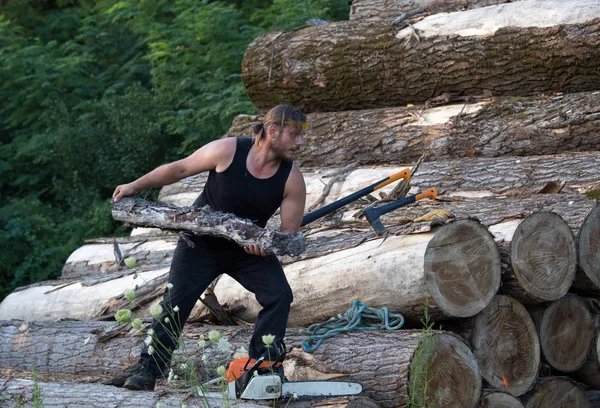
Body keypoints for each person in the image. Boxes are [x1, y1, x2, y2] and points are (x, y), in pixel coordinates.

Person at [111, 104, 307, 391]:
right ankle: (149, 370)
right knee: (175, 303)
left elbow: (289, 233)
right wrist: (135, 186)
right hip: (200, 244)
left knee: (279, 295)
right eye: (294, 135)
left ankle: (262, 370)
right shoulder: (228, 151)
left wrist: (266, 245)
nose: (300, 142)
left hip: (246, 251)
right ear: (273, 131)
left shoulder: (291, 178)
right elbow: (179, 168)